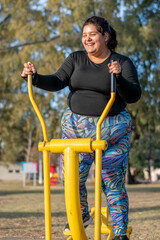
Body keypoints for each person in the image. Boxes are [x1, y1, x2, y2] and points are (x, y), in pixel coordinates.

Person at [21, 16, 141, 240]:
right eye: (84, 35)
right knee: (72, 178)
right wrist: (35, 78)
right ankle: (82, 214)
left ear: (106, 36)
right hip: (76, 131)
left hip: (112, 130)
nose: (87, 39)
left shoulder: (121, 62)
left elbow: (133, 95)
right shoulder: (75, 59)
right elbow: (57, 81)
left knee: (112, 182)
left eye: (92, 34)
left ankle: (119, 232)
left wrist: (118, 78)